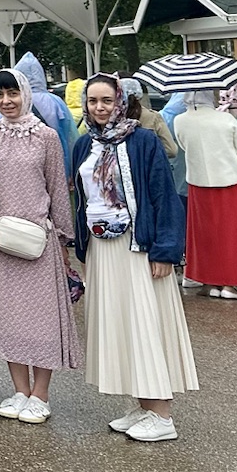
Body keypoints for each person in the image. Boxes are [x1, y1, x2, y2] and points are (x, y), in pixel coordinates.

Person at [71, 74, 196, 442]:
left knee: (145, 323)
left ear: (121, 102)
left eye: (106, 100)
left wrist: (165, 250)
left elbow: (163, 195)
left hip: (137, 246)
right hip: (102, 247)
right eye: (93, 101)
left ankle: (162, 413)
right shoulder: (85, 145)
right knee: (122, 325)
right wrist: (82, 248)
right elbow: (81, 199)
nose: (99, 108)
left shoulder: (142, 141)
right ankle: (144, 405)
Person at [0, 67, 81, 424]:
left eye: (12, 93)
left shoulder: (46, 136)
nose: (6, 101)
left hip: (38, 240)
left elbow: (57, 187)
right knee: (8, 318)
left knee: (42, 320)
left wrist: (63, 239)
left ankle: (40, 393)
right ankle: (19, 389)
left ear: (25, 94)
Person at [172, 88, 237, 298]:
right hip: (229, 181)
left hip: (198, 182)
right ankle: (230, 285)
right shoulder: (225, 119)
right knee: (232, 235)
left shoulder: (180, 121)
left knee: (205, 235)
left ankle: (210, 281)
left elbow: (184, 146)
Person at [14, 53, 76, 167]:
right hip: (56, 161)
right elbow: (69, 134)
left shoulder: (13, 102)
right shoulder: (56, 102)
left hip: (19, 165)